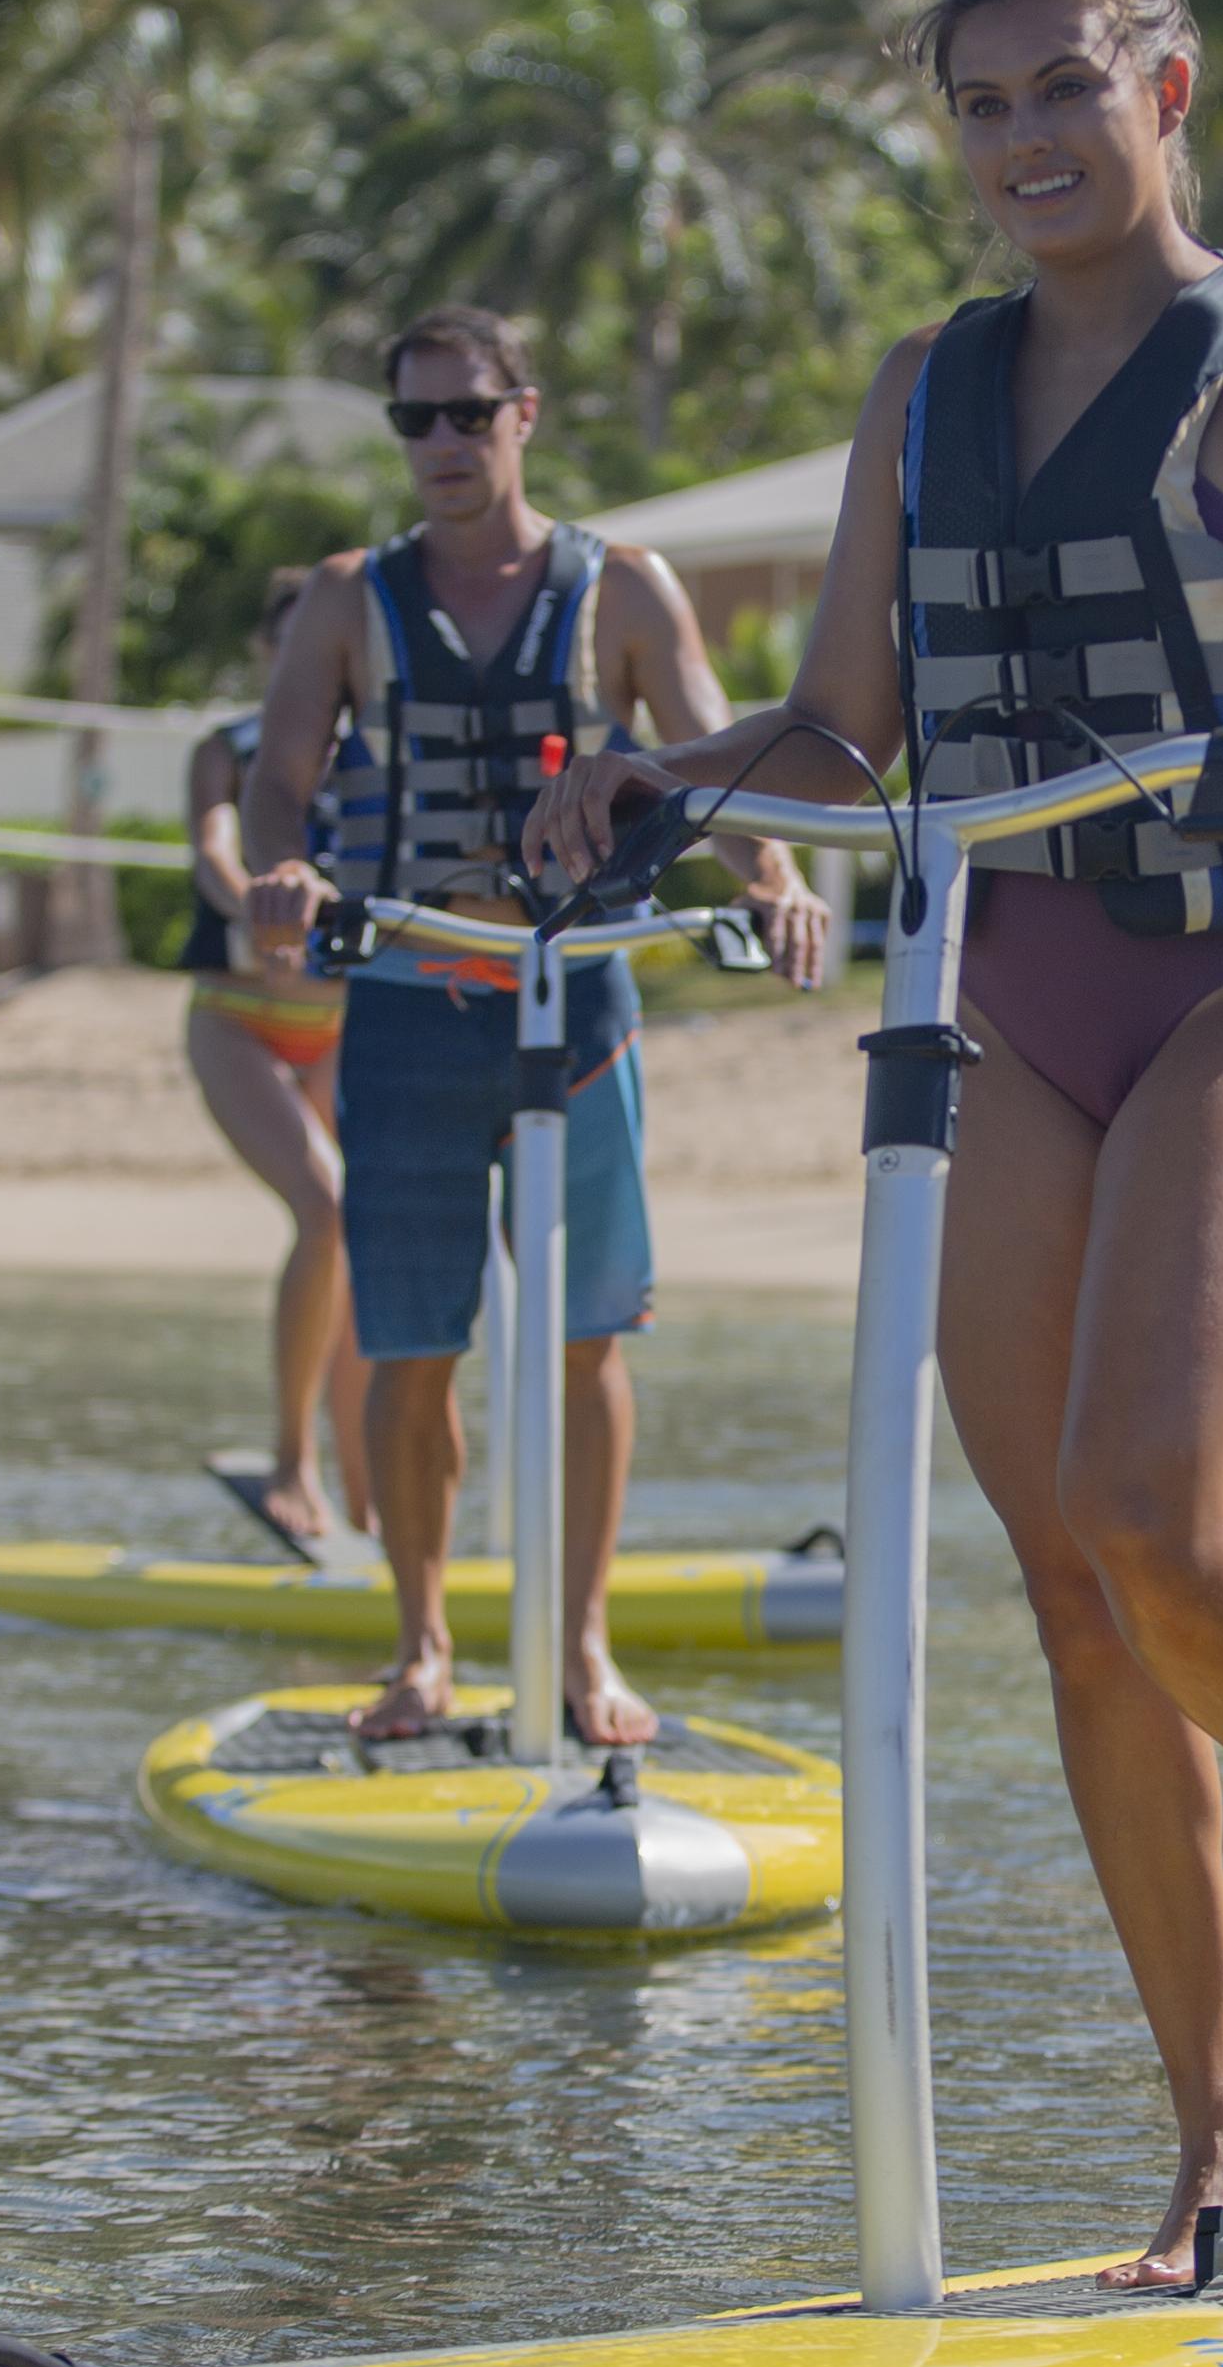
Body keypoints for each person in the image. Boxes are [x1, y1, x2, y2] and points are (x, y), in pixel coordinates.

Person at [533, 0, 1223, 2287]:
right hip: (1004, 987)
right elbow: (846, 729)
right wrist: (662, 775)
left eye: (1060, 91)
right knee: (1071, 1595)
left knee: (1149, 1507)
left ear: (1160, 94)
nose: (1019, 140)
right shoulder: (925, 390)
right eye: (977, 104)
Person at [243, 306, 831, 1751]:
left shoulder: (620, 587)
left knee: (589, 1340)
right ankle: (423, 1647)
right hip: (410, 1002)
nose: (440, 443)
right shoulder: (344, 600)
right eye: (413, 419)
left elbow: (711, 763)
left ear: (526, 415)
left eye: (466, 412)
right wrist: (285, 869)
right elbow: (277, 780)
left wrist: (782, 878)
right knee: (411, 1345)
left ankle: (580, 1650)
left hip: (580, 1000)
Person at [173, 566, 367, 1555]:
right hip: (240, 1020)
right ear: (266, 654)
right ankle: (294, 1458)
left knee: (360, 1243)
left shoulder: (378, 750)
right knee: (324, 1208)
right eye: (288, 641)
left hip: (342, 1029)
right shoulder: (231, 749)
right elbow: (214, 843)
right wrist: (256, 896)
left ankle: (366, 1486)